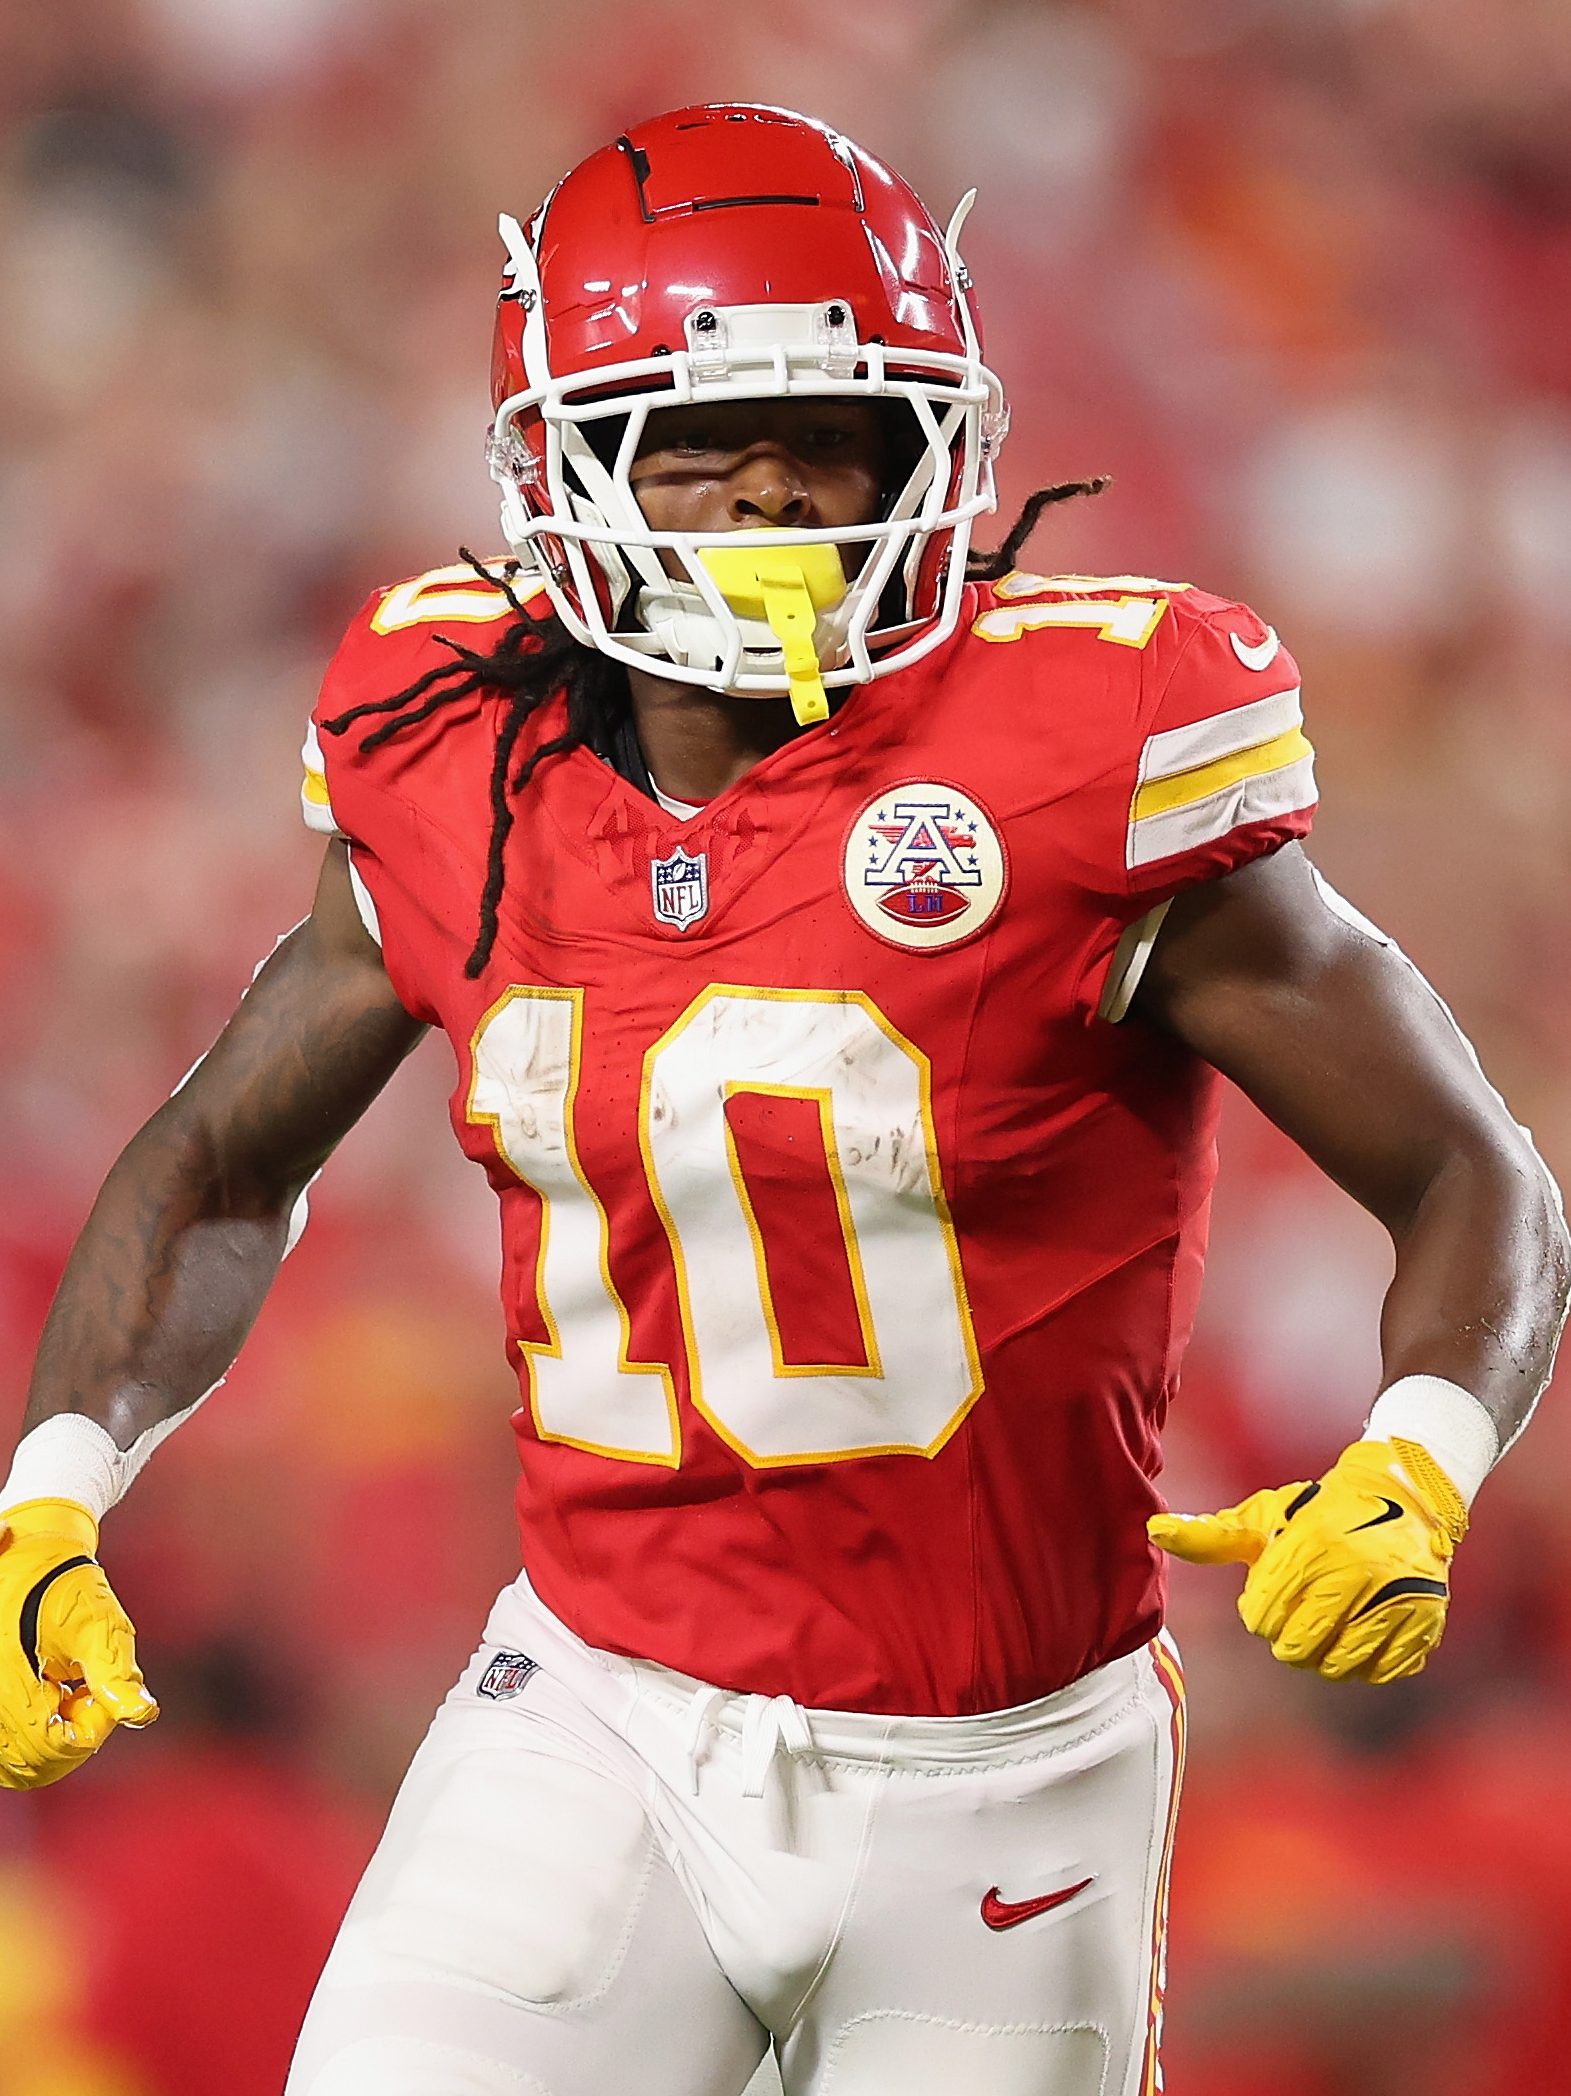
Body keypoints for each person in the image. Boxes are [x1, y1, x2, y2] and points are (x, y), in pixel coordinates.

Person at [1, 103, 1565, 2096]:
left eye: (834, 435)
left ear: (933, 453)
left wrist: (1420, 1456)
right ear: (562, 466)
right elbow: (222, 1159)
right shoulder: (449, 736)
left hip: (1009, 1771)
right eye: (698, 440)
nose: (773, 491)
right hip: (596, 1715)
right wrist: (53, 1492)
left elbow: (1473, 1174)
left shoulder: (1088, 750)